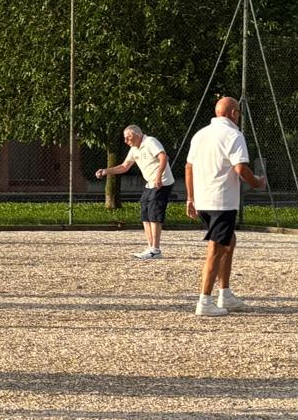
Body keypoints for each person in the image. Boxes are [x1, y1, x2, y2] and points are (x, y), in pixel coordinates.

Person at [184, 96, 266, 317]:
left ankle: (225, 293)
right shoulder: (234, 135)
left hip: (203, 200)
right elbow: (240, 169)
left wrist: (190, 198)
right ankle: (204, 301)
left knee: (229, 241)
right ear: (233, 113)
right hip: (222, 201)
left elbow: (189, 167)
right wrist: (257, 182)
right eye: (238, 113)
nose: (239, 116)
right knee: (216, 248)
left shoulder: (200, 134)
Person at [96, 124, 175, 259]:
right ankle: (150, 247)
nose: (126, 141)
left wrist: (158, 176)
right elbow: (124, 166)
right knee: (145, 213)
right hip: (150, 183)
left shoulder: (150, 142)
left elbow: (163, 157)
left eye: (128, 137)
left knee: (154, 214)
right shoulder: (134, 148)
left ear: (137, 135)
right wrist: (106, 171)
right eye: (125, 138)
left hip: (162, 182)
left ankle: (155, 250)